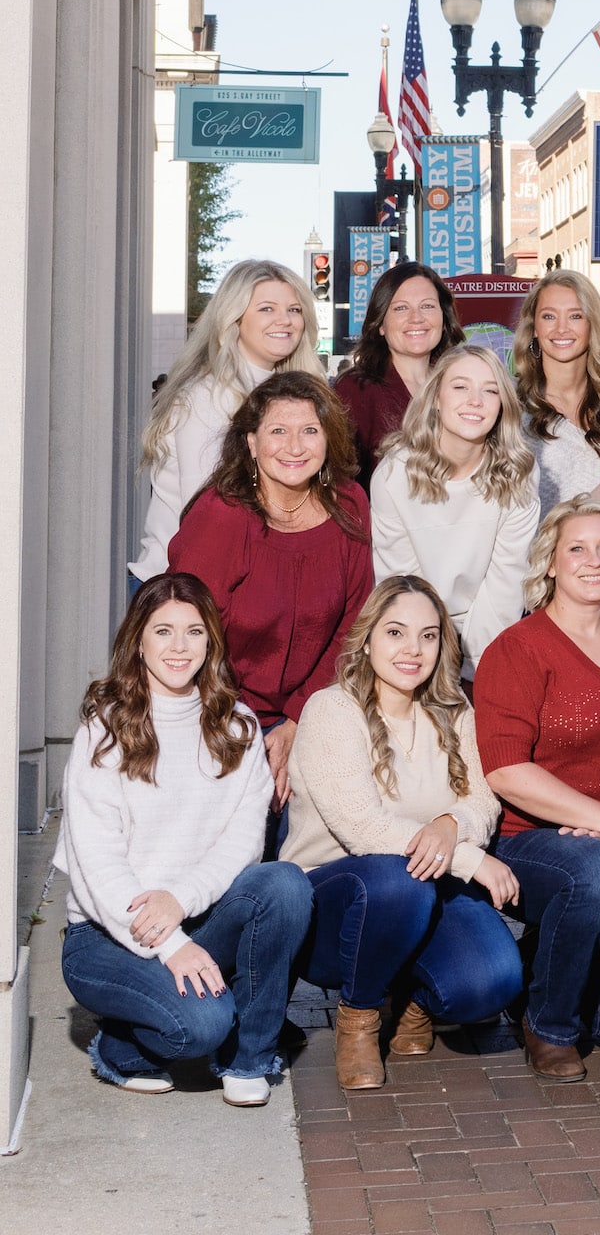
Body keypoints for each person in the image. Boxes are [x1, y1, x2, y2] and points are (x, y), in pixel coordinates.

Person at [55, 574, 309, 1105]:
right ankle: (121, 1047)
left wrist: (182, 903)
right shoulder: (104, 731)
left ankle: (249, 1059)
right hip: (105, 934)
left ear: (211, 642)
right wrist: (171, 945)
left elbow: (243, 844)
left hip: (196, 914)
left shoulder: (236, 726)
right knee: (201, 1025)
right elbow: (98, 867)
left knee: (283, 883)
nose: (179, 647)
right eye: (163, 631)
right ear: (138, 640)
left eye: (194, 632)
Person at [286, 577, 524, 1087]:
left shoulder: (454, 709)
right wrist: (468, 858)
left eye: (428, 635)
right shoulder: (332, 710)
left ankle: (413, 997)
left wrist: (449, 824)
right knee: (396, 880)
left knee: (492, 981)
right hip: (336, 904)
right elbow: (363, 829)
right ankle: (359, 1018)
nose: (412, 650)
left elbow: (482, 798)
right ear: (367, 638)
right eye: (395, 633)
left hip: (429, 887)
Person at [472, 497, 600, 1077]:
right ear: (551, 564)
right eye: (576, 549)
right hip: (531, 840)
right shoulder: (516, 649)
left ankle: (549, 951)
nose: (592, 560)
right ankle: (547, 1023)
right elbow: (506, 770)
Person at [167, 376, 375, 807]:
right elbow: (184, 638)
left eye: (310, 431)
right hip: (217, 713)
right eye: (278, 431)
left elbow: (353, 629)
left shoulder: (350, 505)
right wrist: (244, 734)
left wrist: (299, 721)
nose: (295, 446)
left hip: (312, 710)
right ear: (251, 443)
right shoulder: (222, 515)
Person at [133, 260, 322, 580]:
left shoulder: (293, 394)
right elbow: (207, 517)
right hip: (183, 592)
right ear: (234, 319)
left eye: (294, 309)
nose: (285, 320)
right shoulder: (207, 397)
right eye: (266, 309)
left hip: (249, 583)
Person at [369, 343, 539, 673]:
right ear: (435, 398)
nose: (475, 401)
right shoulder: (393, 476)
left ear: (502, 405)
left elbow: (504, 588)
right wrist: (435, 668)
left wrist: (476, 675)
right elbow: (402, 589)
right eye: (460, 386)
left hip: (491, 638)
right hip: (416, 642)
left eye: (490, 391)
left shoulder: (521, 472)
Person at [334, 261, 465, 479]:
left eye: (427, 306)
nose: (416, 318)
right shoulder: (356, 390)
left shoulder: (463, 384)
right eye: (401, 308)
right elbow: (343, 482)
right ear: (381, 324)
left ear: (444, 319)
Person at [512, 269, 600, 514]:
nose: (561, 328)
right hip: (533, 550)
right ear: (534, 328)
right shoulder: (510, 404)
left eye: (575, 316)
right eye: (549, 316)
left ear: (592, 323)